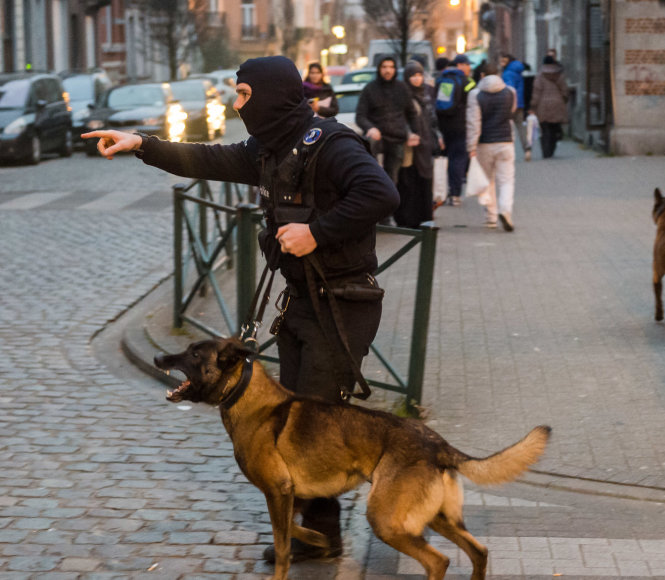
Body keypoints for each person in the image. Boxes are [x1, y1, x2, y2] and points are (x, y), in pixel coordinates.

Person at [82, 55, 399, 562]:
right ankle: (311, 531)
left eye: (244, 94)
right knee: (293, 421)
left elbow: (382, 193)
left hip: (342, 305)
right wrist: (143, 144)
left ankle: (323, 536)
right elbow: (208, 159)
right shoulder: (269, 148)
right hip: (300, 302)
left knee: (315, 425)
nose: (237, 102)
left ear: (272, 95)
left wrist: (317, 231)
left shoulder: (333, 145)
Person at [467, 62, 516, 232]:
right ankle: (506, 210)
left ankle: (491, 217)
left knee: (488, 181)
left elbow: (474, 123)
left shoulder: (475, 94)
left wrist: (471, 147)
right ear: (498, 74)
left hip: (485, 143)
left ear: (481, 76)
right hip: (506, 141)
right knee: (507, 180)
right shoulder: (510, 92)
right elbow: (512, 112)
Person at [356, 55, 420, 185]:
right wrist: (370, 128)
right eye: (384, 67)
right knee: (371, 175)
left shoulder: (402, 88)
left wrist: (415, 132)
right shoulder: (370, 89)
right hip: (376, 139)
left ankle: (390, 204)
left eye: (391, 67)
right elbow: (360, 116)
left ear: (395, 69)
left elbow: (412, 114)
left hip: (397, 138)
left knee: (392, 179)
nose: (388, 70)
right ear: (379, 69)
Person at [395, 61, 442, 228]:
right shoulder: (402, 94)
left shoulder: (427, 92)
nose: (417, 79)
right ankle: (409, 220)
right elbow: (400, 117)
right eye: (413, 76)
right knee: (409, 182)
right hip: (409, 145)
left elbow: (433, 118)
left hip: (426, 143)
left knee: (425, 181)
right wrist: (408, 133)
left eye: (419, 75)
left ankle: (425, 217)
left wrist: (438, 137)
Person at [436, 54, 475, 206]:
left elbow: (438, 105)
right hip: (461, 126)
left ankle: (440, 192)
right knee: (458, 159)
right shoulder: (468, 82)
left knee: (442, 160)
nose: (469, 68)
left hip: (443, 126)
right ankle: (455, 194)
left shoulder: (440, 81)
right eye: (466, 64)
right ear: (459, 66)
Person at [530, 55, 569, 159]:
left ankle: (546, 152)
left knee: (545, 129)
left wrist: (533, 105)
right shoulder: (559, 74)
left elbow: (536, 93)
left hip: (543, 105)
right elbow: (565, 91)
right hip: (557, 103)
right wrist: (563, 100)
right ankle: (552, 149)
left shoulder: (540, 75)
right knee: (554, 128)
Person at [499, 53, 530, 161]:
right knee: (521, 127)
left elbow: (509, 89)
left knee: (506, 128)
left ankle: (506, 152)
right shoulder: (517, 70)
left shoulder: (507, 73)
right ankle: (527, 149)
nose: (501, 63)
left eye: (503, 61)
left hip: (510, 104)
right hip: (520, 103)